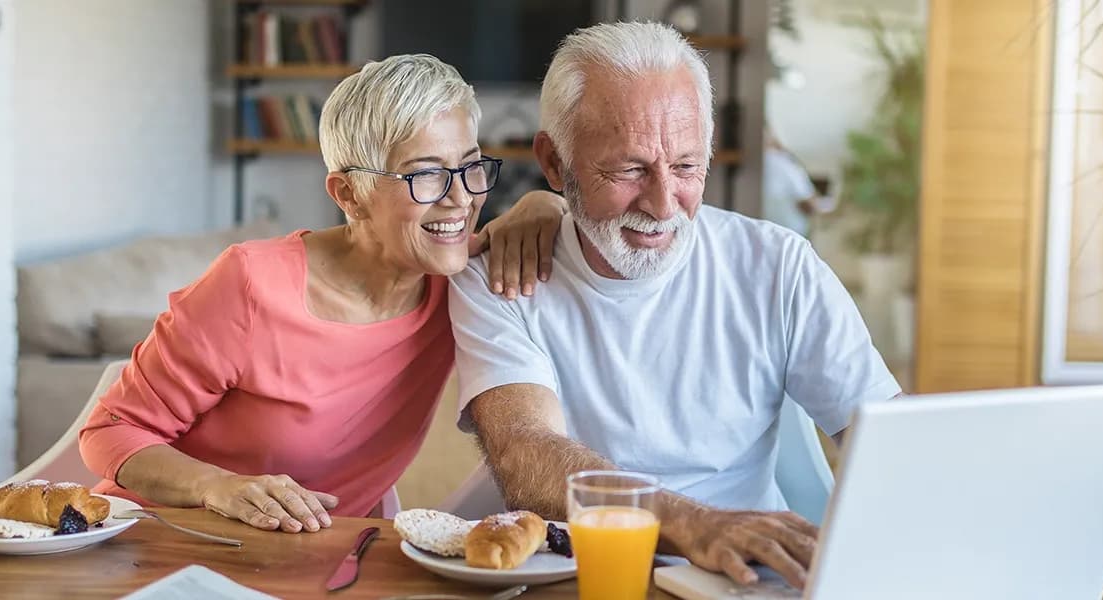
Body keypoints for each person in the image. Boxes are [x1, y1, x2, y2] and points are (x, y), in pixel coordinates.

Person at [447, 23, 901, 589]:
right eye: (630, 169)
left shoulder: (779, 266)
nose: (665, 204)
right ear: (556, 164)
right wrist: (696, 525)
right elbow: (527, 456)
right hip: (579, 575)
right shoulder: (502, 278)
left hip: (746, 575)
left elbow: (885, 441)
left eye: (686, 166)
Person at [78, 54, 566, 534]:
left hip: (318, 559)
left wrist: (545, 203)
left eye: (471, 166)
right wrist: (218, 486)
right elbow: (109, 432)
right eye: (426, 174)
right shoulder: (250, 285)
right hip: (167, 542)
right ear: (348, 195)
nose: (461, 198)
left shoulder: (462, 279)